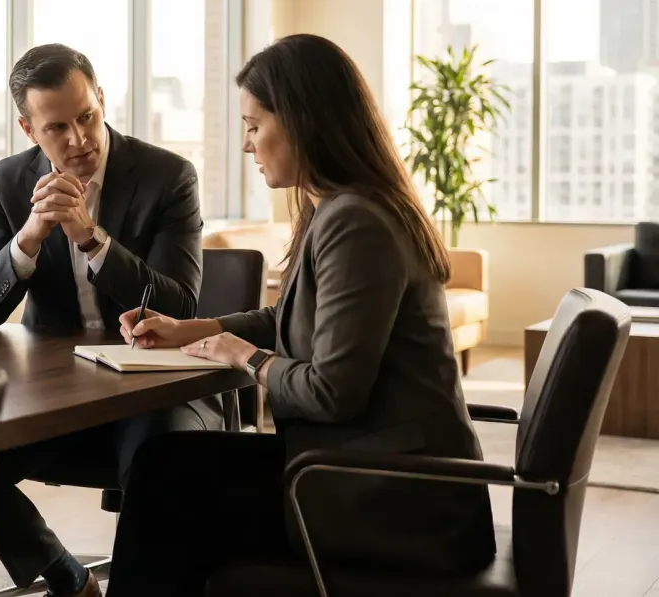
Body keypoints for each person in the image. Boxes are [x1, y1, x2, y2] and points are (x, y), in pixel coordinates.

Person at [106, 34, 497, 597]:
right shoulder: (338, 208)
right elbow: (293, 317)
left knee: (167, 482)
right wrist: (199, 329)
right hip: (372, 477)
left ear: (301, 120)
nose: (248, 145)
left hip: (396, 500)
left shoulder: (354, 221)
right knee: (168, 467)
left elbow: (334, 391)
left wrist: (247, 358)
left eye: (254, 125)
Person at [0, 43, 218, 597]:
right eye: (57, 128)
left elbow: (179, 305)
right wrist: (29, 236)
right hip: (59, 395)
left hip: (157, 389)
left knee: (159, 464)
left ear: (101, 99)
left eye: (87, 117)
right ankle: (67, 578)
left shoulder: (167, 176)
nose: (78, 140)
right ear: (29, 129)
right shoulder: (8, 183)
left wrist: (90, 237)